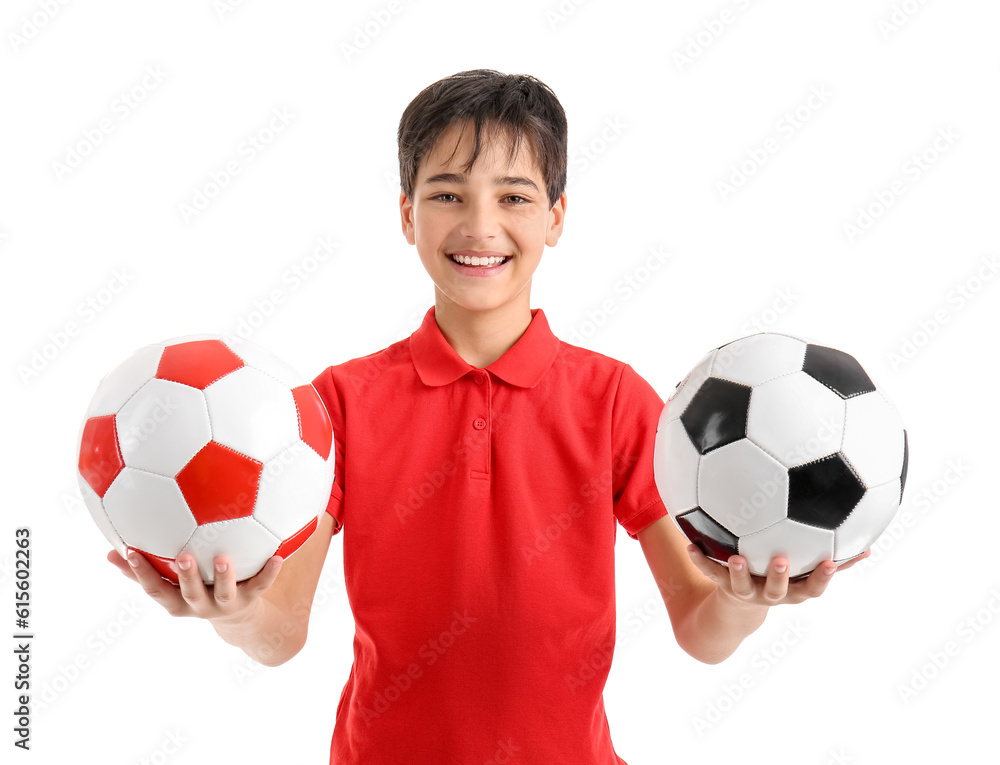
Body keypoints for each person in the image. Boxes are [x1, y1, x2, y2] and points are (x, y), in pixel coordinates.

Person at [109, 69, 867, 764]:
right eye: (446, 194)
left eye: (513, 196)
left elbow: (699, 631)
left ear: (556, 217)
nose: (479, 225)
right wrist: (232, 611)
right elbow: (282, 634)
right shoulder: (335, 403)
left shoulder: (614, 399)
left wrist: (741, 601)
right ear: (406, 216)